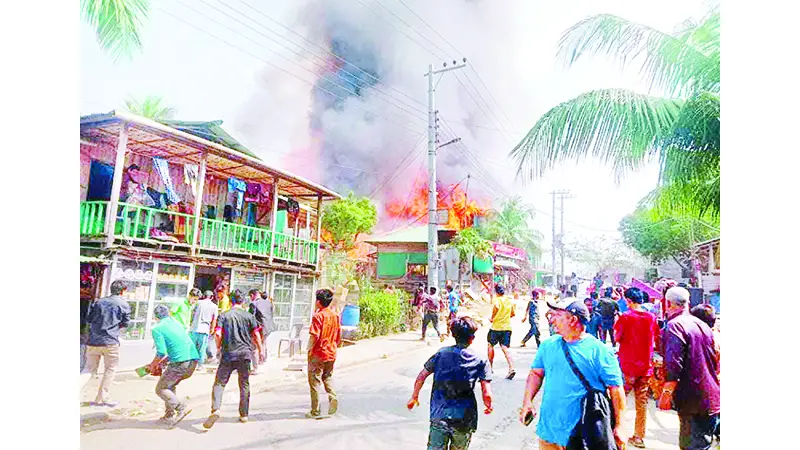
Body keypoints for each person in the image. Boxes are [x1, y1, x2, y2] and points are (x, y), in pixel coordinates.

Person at [519, 296, 627, 450]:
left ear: (573, 319)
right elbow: (536, 374)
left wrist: (620, 425)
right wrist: (527, 402)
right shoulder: (548, 346)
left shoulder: (600, 351)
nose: (551, 319)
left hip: (583, 434)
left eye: (557, 315)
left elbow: (616, 389)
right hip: (548, 433)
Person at [407, 316, 493, 450]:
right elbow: (487, 392)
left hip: (440, 416)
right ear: (472, 338)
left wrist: (414, 396)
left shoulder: (441, 354)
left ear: (453, 335)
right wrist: (488, 405)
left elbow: (421, 376)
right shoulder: (481, 360)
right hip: (464, 419)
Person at [658, 287, 720, 450]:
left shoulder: (674, 326)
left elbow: (674, 364)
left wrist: (666, 393)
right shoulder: (702, 325)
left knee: (692, 445)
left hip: (692, 398)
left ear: (667, 303)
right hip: (710, 395)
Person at [203, 291, 263, 428]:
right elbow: (256, 335)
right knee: (244, 384)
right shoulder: (249, 316)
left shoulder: (224, 315)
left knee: (219, 383)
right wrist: (261, 351)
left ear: (230, 301)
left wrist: (218, 348)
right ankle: (244, 415)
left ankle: (216, 409)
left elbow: (217, 334)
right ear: (243, 301)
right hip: (245, 354)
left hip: (228, 353)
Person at [614, 287, 660, 448]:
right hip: (645, 366)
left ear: (628, 301)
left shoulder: (625, 317)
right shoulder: (652, 317)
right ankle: (639, 437)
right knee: (642, 403)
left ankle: (616, 433)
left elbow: (617, 337)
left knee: (619, 400)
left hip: (628, 365)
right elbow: (656, 337)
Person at [149, 305, 200, 427]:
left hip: (181, 363)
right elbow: (177, 346)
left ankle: (180, 408)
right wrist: (162, 362)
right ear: (168, 314)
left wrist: (153, 365)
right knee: (169, 385)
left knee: (161, 388)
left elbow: (161, 351)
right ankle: (169, 414)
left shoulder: (157, 329)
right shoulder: (176, 323)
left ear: (156, 317)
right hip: (192, 360)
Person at [85, 280, 131, 407]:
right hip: (110, 342)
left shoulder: (98, 302)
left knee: (88, 370)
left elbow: (89, 319)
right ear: (123, 291)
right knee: (110, 370)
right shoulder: (124, 304)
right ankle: (102, 398)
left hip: (93, 341)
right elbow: (125, 323)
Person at [306, 288, 342, 418]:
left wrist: (309, 350)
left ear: (318, 302)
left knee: (314, 381)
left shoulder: (318, 316)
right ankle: (333, 396)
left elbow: (314, 336)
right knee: (327, 377)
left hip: (318, 352)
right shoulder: (335, 316)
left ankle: (315, 410)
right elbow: (339, 337)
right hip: (331, 352)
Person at [487, 284, 516, 380]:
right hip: (507, 327)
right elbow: (513, 314)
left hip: (496, 327)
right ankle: (512, 368)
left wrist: (492, 318)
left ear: (496, 292)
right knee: (505, 348)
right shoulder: (509, 301)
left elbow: (495, 308)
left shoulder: (497, 300)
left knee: (490, 345)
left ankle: (490, 368)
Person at [189, 290, 218, 370]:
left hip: (194, 328)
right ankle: (200, 365)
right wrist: (212, 328)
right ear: (212, 297)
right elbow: (214, 319)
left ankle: (190, 364)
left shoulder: (198, 303)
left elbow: (191, 313)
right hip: (204, 329)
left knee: (192, 346)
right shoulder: (214, 306)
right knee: (202, 348)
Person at [249, 290, 275, 374]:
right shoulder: (268, 302)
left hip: (259, 328)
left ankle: (256, 367)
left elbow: (251, 317)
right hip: (268, 327)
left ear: (252, 295)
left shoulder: (254, 304)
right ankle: (263, 362)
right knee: (263, 343)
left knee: (254, 346)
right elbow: (271, 314)